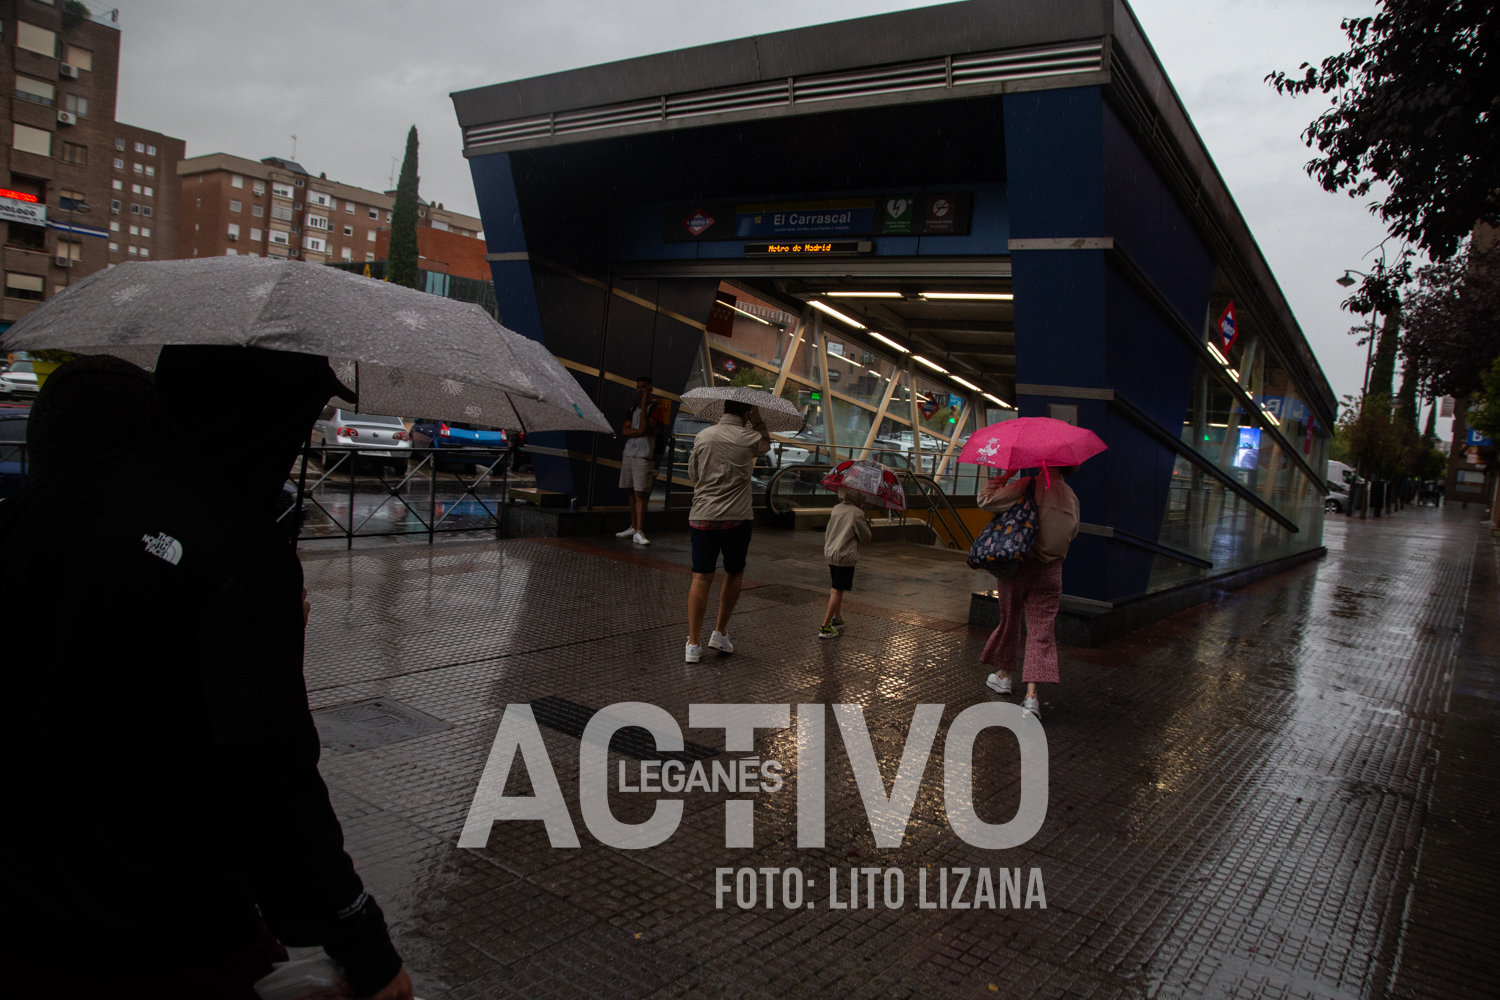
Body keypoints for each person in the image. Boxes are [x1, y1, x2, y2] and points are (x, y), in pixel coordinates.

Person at [0, 345, 413, 1000]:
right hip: (162, 927)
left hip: (23, 906)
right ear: (259, 417)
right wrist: (361, 943)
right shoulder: (236, 547)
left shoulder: (46, 501)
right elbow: (268, 768)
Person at [977, 465, 1081, 720]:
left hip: (1020, 564)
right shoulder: (1071, 496)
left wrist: (1001, 478)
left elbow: (985, 500)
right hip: (1052, 570)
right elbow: (1073, 531)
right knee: (1041, 630)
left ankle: (1004, 676)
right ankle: (1032, 697)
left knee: (1010, 619)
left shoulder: (1028, 484)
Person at [684, 398, 770, 663]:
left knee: (701, 576)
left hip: (702, 517)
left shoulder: (703, 436)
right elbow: (766, 445)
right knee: (733, 572)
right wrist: (757, 418)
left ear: (722, 410)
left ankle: (693, 645)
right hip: (736, 519)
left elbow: (693, 475)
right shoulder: (749, 438)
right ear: (745, 413)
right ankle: (719, 633)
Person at [615, 374, 664, 546]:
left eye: (643, 387)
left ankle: (639, 530)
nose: (640, 390)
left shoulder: (656, 408)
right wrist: (642, 432)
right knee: (630, 491)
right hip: (629, 453)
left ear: (650, 389)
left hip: (643, 455)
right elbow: (625, 431)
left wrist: (644, 404)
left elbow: (643, 426)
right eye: (638, 387)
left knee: (640, 493)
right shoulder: (632, 409)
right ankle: (633, 526)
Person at [819, 487, 871, 638]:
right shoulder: (857, 513)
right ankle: (825, 627)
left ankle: (836, 618)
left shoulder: (836, 508)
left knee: (837, 587)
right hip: (845, 555)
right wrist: (863, 516)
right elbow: (866, 538)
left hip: (831, 553)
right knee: (837, 589)